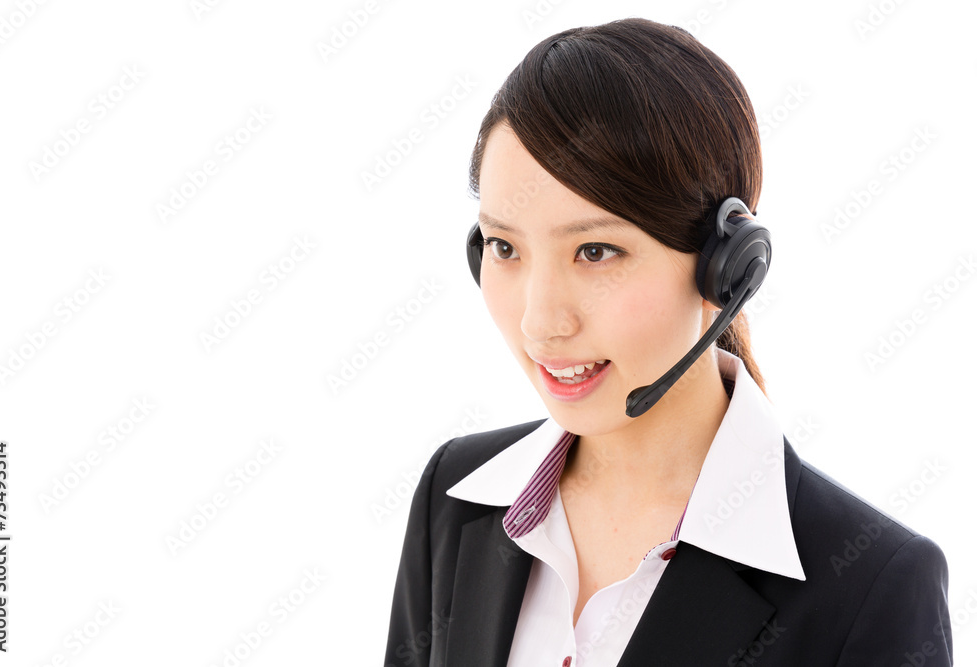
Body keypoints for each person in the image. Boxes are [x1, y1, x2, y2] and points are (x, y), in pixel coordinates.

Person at [384, 17, 952, 667]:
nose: (540, 322)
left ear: (727, 268)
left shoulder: (870, 587)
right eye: (505, 247)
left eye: (595, 251)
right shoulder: (454, 499)